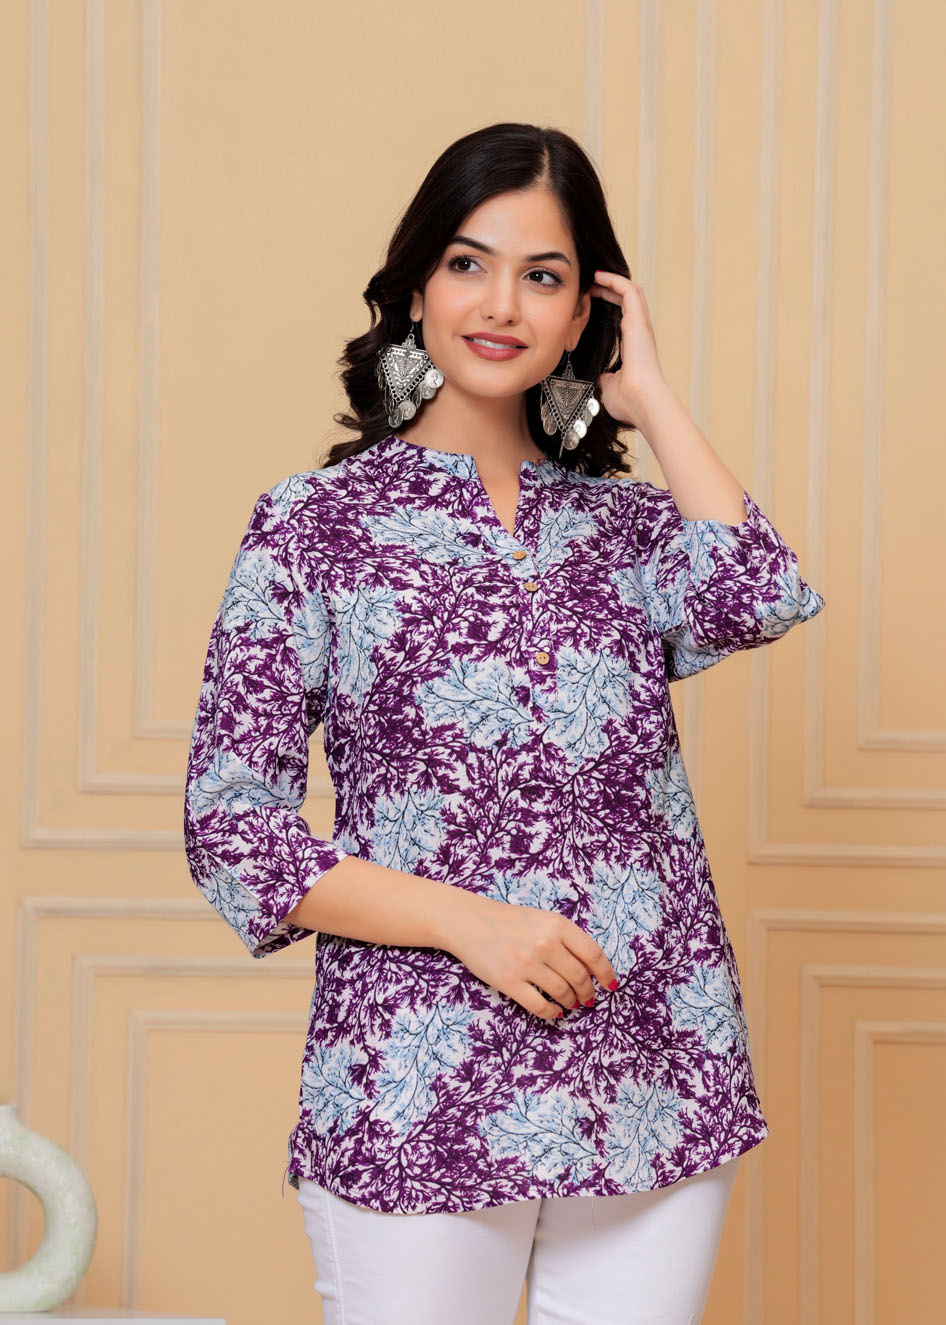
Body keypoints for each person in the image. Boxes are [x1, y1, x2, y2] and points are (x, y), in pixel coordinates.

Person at [183, 121, 825, 1323]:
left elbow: (762, 591)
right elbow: (234, 830)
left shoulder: (627, 528)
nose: (500, 304)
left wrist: (650, 396)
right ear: (415, 286)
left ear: (584, 313)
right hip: (416, 1071)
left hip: (651, 1062)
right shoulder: (313, 526)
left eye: (543, 276)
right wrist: (470, 923)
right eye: (468, 264)